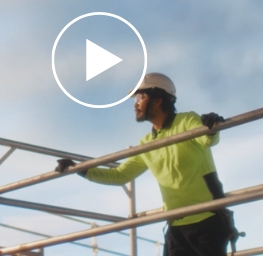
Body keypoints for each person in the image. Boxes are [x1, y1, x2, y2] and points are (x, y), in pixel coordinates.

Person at [55, 72, 235, 256]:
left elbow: (207, 140)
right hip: (175, 228)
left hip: (208, 221)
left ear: (158, 99)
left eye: (140, 96)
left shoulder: (187, 120)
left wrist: (211, 127)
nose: (135, 103)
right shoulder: (147, 143)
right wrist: (79, 169)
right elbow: (120, 175)